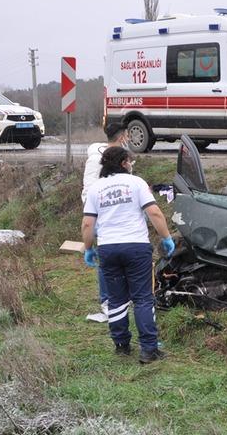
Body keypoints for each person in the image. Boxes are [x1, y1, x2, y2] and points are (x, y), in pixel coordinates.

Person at [81, 147, 175, 364]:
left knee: (116, 299)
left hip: (108, 249)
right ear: (124, 163)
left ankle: (121, 345)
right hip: (136, 247)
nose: (132, 164)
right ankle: (149, 350)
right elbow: (154, 212)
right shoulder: (136, 183)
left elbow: (87, 223)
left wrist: (88, 249)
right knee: (142, 298)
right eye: (130, 161)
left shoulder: (96, 188)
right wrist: (166, 237)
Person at [80, 122, 129, 323]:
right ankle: (107, 301)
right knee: (105, 259)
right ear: (122, 136)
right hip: (102, 216)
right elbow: (89, 190)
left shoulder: (123, 157)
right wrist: (95, 216)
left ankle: (121, 298)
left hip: (121, 215)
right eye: (127, 135)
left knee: (122, 257)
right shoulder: (96, 160)